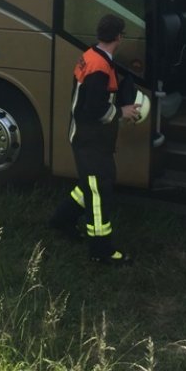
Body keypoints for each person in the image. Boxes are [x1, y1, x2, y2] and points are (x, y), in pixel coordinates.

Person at [49, 14, 139, 265]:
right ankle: (101, 250)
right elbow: (90, 110)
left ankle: (61, 220)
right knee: (99, 191)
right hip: (90, 141)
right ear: (119, 36)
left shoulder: (92, 56)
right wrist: (122, 112)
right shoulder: (99, 67)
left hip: (88, 139)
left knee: (92, 184)